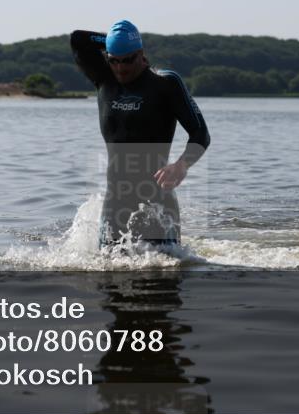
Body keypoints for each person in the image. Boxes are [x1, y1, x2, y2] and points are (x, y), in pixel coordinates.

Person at [70, 20, 210, 248]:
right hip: (115, 204)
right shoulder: (103, 77)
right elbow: (78, 38)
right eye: (114, 60)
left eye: (128, 60)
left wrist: (181, 165)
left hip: (157, 204)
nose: (121, 68)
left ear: (141, 54)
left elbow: (201, 133)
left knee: (164, 276)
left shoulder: (165, 83)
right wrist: (118, 39)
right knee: (106, 277)